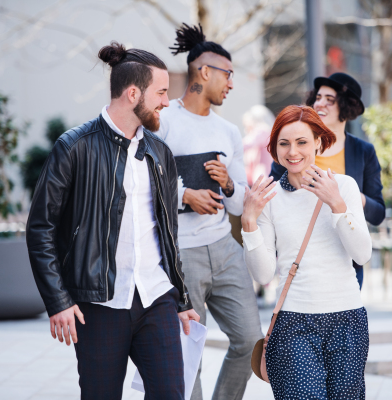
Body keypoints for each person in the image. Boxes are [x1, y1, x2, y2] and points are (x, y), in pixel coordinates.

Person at [26, 42, 199, 400]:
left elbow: (168, 235)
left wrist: (181, 300)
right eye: (162, 92)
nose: (167, 102)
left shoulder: (160, 152)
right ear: (133, 93)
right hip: (98, 305)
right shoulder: (74, 147)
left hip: (156, 298)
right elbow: (41, 228)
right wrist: (58, 300)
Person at [156, 23, 263, 400]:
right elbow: (144, 185)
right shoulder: (164, 122)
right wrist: (186, 195)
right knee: (190, 352)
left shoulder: (229, 132)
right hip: (181, 254)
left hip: (225, 247)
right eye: (228, 74)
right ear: (204, 71)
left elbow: (236, 201)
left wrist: (230, 185)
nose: (231, 84)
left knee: (251, 341)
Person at [242, 105, 372, 399]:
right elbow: (263, 274)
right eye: (284, 143)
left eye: (302, 142)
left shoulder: (344, 186)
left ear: (318, 141)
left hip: (347, 320)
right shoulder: (270, 197)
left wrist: (336, 204)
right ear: (274, 148)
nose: (293, 151)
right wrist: (249, 222)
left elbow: (362, 255)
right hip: (294, 324)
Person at [270, 72, 384, 288]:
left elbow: (378, 213)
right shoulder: (292, 151)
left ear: (347, 106)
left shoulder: (363, 151)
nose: (320, 104)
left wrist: (347, 196)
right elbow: (273, 195)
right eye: (318, 97)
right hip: (299, 260)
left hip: (346, 260)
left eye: (330, 100)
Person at [242, 105, 275, 187]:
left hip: (264, 180)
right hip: (261, 180)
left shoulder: (262, 131)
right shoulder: (268, 133)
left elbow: (245, 145)